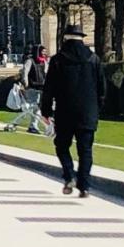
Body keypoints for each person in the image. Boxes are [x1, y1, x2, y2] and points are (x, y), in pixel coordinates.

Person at [41, 25, 106, 198]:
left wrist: (46, 111)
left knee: (62, 146)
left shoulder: (57, 60)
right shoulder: (93, 59)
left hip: (65, 111)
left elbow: (49, 89)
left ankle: (69, 175)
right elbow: (102, 88)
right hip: (88, 112)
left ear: (65, 39)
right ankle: (84, 185)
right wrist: (97, 109)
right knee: (85, 150)